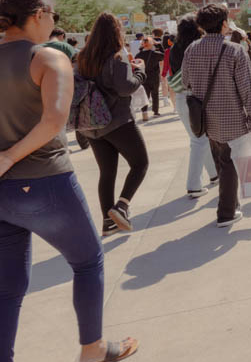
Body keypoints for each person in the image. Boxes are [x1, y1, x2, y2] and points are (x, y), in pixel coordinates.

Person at [0, 0, 138, 362]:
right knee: (88, 260)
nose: (54, 23)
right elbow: (54, 121)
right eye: (52, 16)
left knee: (6, 288)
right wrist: (8, 156)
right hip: (45, 181)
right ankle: (92, 348)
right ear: (39, 13)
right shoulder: (47, 57)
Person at [182, 3, 251, 227]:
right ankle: (226, 212)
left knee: (221, 158)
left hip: (204, 117)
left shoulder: (191, 49)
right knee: (228, 163)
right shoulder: (235, 50)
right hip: (232, 117)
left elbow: (185, 81)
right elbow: (248, 91)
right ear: (224, 24)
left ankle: (231, 205)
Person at [77, 13, 150, 236]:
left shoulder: (82, 57)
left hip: (91, 124)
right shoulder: (116, 58)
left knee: (106, 172)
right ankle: (122, 206)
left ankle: (108, 223)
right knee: (140, 163)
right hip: (118, 120)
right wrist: (140, 71)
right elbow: (126, 88)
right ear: (116, 33)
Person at [168, 16, 219, 198]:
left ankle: (214, 174)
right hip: (196, 100)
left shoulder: (175, 48)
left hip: (183, 99)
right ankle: (193, 185)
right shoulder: (198, 47)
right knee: (200, 140)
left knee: (198, 139)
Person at [136, 37, 163, 120]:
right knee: (155, 94)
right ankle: (155, 112)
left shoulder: (138, 55)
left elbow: (136, 66)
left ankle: (144, 112)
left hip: (144, 77)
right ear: (151, 44)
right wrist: (159, 45)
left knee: (145, 95)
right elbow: (164, 55)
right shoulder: (155, 53)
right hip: (154, 77)